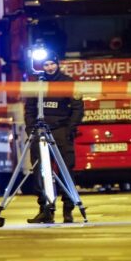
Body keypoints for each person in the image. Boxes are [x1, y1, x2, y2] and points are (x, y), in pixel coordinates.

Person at [24, 54, 83, 224]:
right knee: (40, 172)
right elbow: (29, 109)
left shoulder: (67, 82)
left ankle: (68, 210)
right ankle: (45, 210)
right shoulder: (37, 84)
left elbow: (78, 109)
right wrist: (30, 130)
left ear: (57, 64)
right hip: (39, 132)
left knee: (65, 171)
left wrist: (68, 130)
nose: (49, 68)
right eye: (46, 64)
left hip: (60, 131)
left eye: (52, 64)